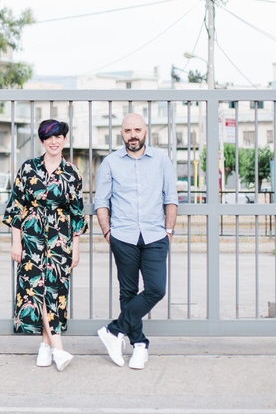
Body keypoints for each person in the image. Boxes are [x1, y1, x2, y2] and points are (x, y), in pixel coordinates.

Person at [93, 112, 177, 370]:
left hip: (155, 235)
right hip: (123, 236)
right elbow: (101, 202)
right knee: (128, 293)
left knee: (156, 289)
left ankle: (113, 330)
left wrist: (169, 231)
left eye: (137, 130)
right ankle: (139, 344)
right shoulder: (110, 163)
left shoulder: (161, 159)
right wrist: (108, 234)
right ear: (122, 134)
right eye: (128, 131)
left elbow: (170, 198)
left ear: (145, 131)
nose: (133, 135)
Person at [3, 119, 86, 370]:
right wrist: (16, 243)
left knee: (55, 291)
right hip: (31, 236)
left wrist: (76, 248)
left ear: (64, 140)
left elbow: (77, 214)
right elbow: (17, 207)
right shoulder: (28, 168)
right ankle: (58, 349)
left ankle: (45, 346)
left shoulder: (73, 173)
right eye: (49, 137)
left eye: (58, 136)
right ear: (42, 140)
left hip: (60, 239)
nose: (54, 141)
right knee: (34, 289)